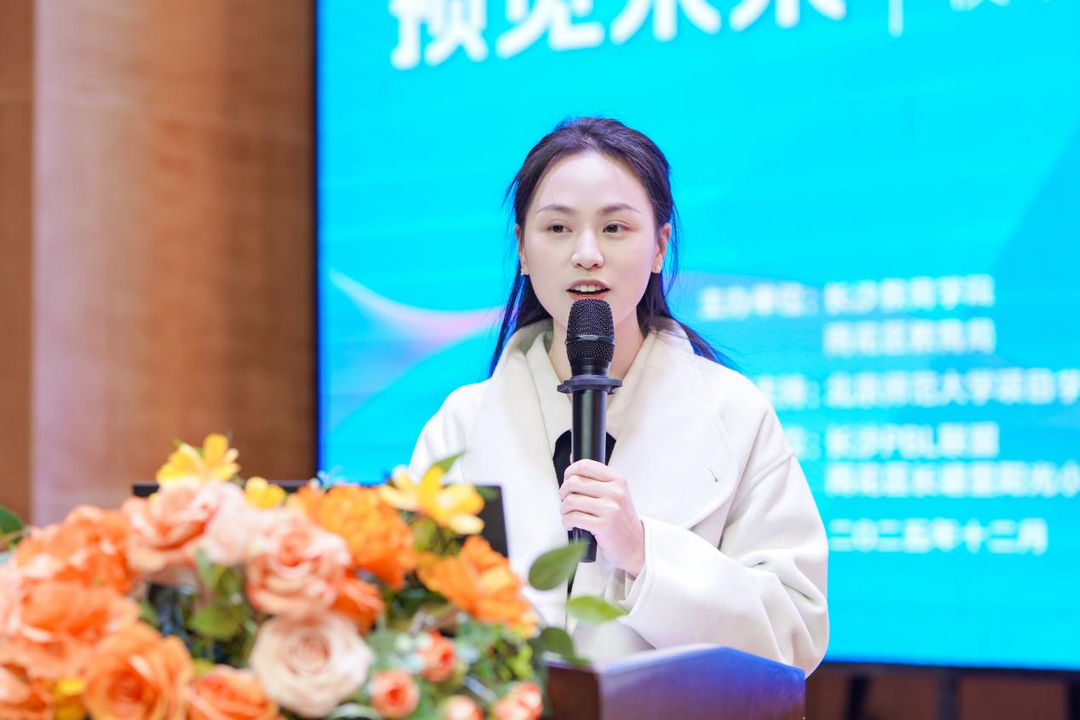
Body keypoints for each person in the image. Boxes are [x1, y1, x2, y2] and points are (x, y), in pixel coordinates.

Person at [409, 117, 829, 674]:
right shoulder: (461, 424)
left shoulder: (736, 414)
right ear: (523, 248)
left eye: (614, 228)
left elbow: (795, 631)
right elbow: (412, 619)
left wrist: (645, 552)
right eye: (558, 228)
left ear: (660, 246)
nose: (587, 253)